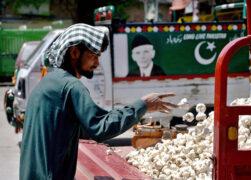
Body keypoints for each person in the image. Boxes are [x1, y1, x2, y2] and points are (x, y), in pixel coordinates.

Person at [19, 24, 177, 180]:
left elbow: (79, 128)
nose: (97, 63)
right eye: (94, 56)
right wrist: (143, 105)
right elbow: (100, 127)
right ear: (74, 52)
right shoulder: (71, 86)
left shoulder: (48, 82)